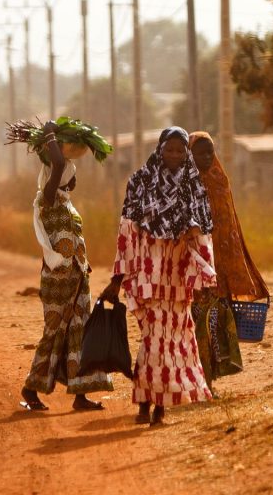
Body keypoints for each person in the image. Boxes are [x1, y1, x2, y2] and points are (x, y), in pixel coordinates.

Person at [100, 127, 215, 426]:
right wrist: (118, 278)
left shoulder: (193, 185)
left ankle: (154, 406)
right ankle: (148, 404)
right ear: (160, 149)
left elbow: (202, 234)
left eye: (180, 150)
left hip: (177, 279)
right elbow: (127, 232)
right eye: (170, 149)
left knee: (172, 343)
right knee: (154, 341)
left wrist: (203, 275)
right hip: (146, 275)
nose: (175, 155)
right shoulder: (140, 181)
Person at [20, 120, 113, 412]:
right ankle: (30, 389)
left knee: (80, 332)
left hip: (77, 277)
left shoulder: (66, 203)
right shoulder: (47, 199)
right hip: (57, 280)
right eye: (71, 176)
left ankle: (80, 395)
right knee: (54, 332)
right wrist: (49, 135)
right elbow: (58, 163)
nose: (74, 180)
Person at [189, 132, 269, 390]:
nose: (206, 157)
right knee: (196, 326)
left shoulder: (220, 180)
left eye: (210, 152)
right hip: (194, 265)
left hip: (219, 267)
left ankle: (209, 381)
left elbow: (231, 225)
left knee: (213, 324)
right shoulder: (185, 185)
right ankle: (198, 383)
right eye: (200, 153)